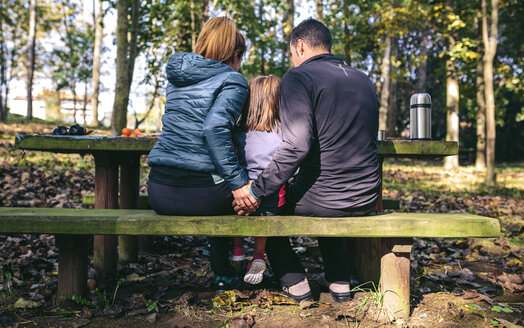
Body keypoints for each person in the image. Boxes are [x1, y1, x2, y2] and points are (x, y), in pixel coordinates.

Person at [233, 18, 381, 302]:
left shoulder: (299, 77)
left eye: (291, 53)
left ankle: (295, 281)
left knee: (271, 206)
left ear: (299, 45)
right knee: (322, 192)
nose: (293, 59)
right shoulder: (362, 78)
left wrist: (256, 189)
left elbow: (296, 146)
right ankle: (339, 281)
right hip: (366, 195)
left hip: (323, 198)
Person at [147, 16, 254, 293]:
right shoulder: (233, 80)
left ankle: (223, 266)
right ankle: (226, 272)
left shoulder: (176, 78)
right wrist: (239, 183)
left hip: (157, 190)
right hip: (200, 196)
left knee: (224, 183)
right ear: (235, 54)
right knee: (240, 194)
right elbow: (215, 128)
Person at [232, 75, 284, 285]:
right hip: (271, 199)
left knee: (236, 203)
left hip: (240, 195)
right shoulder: (283, 132)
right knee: (265, 214)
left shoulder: (238, 132)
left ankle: (237, 247)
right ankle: (258, 254)